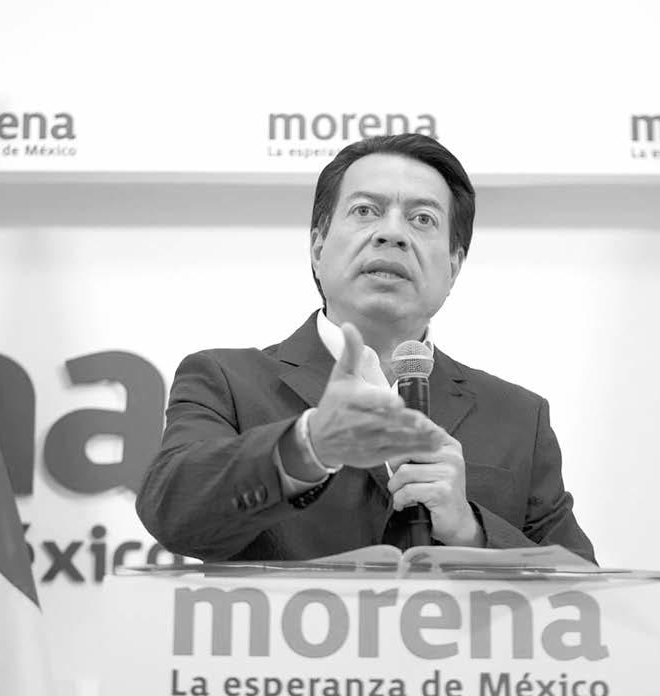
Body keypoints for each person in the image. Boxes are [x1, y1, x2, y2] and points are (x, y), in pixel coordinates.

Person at [136, 134, 595, 564]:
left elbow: (582, 591)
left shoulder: (518, 417)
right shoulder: (225, 380)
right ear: (318, 248)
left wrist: (470, 529)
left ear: (454, 267)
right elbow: (174, 513)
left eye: (422, 219)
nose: (392, 233)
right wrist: (308, 445)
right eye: (365, 211)